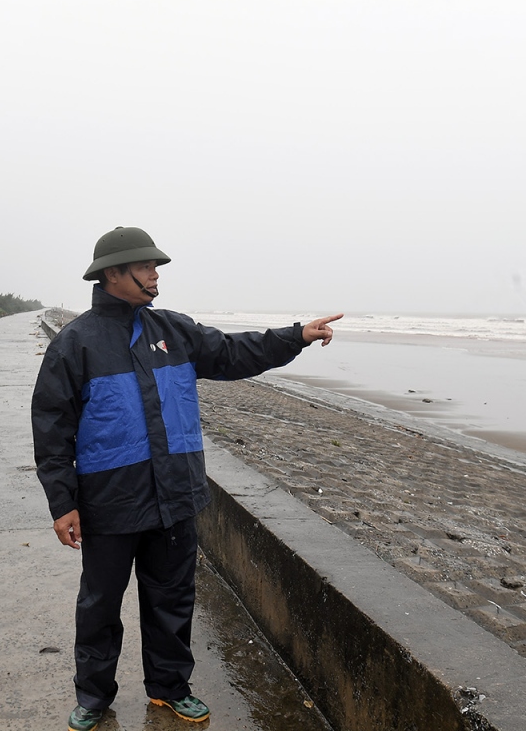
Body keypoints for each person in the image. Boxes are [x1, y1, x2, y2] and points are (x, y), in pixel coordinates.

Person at [32, 226, 341, 731]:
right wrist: (62, 502)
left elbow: (235, 353)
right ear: (115, 273)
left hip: (175, 495)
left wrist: (296, 336)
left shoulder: (174, 332)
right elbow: (51, 427)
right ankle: (93, 695)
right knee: (99, 605)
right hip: (109, 502)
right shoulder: (75, 344)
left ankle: (170, 688)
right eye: (148, 266)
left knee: (172, 599)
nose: (156, 274)